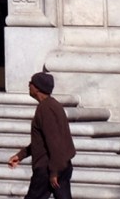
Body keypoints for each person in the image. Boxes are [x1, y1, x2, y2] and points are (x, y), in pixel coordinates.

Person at [7, 71, 75, 199]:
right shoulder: (52, 105)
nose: (29, 85)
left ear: (37, 88)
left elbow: (55, 141)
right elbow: (43, 141)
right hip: (60, 165)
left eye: (31, 82)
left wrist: (54, 171)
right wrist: (21, 155)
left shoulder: (46, 109)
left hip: (48, 168)